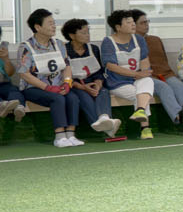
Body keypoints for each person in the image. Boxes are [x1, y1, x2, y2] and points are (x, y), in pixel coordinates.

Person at [17, 9, 114, 146]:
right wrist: (47, 87)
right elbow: (24, 73)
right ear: (38, 27)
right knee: (57, 99)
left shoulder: (58, 44)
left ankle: (71, 134)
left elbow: (66, 66)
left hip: (59, 86)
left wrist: (67, 82)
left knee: (73, 97)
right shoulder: (26, 47)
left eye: (54, 23)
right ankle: (59, 136)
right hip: (34, 88)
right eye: (50, 23)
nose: (54, 26)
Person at [99, 9, 160, 137]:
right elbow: (111, 66)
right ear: (118, 27)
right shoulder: (108, 42)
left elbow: (144, 60)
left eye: (133, 22)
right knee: (141, 95)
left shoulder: (139, 39)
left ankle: (140, 111)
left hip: (136, 78)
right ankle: (145, 128)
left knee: (148, 80)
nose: (133, 24)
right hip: (117, 82)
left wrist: (143, 73)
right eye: (128, 22)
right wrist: (136, 75)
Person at [135, 14, 183, 133]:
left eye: (147, 21)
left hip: (165, 73)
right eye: (142, 22)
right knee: (165, 88)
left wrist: (169, 74)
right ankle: (179, 118)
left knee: (181, 87)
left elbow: (163, 60)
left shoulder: (155, 39)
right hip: (147, 77)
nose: (146, 25)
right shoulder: (132, 42)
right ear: (133, 25)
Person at [62, 17, 125, 141]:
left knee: (104, 91)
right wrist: (82, 87)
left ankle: (104, 118)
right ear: (72, 35)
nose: (87, 35)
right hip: (75, 86)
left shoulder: (94, 49)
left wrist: (98, 83)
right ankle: (107, 127)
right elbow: (63, 76)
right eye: (83, 33)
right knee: (84, 97)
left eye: (88, 32)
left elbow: (99, 72)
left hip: (93, 83)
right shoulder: (64, 51)